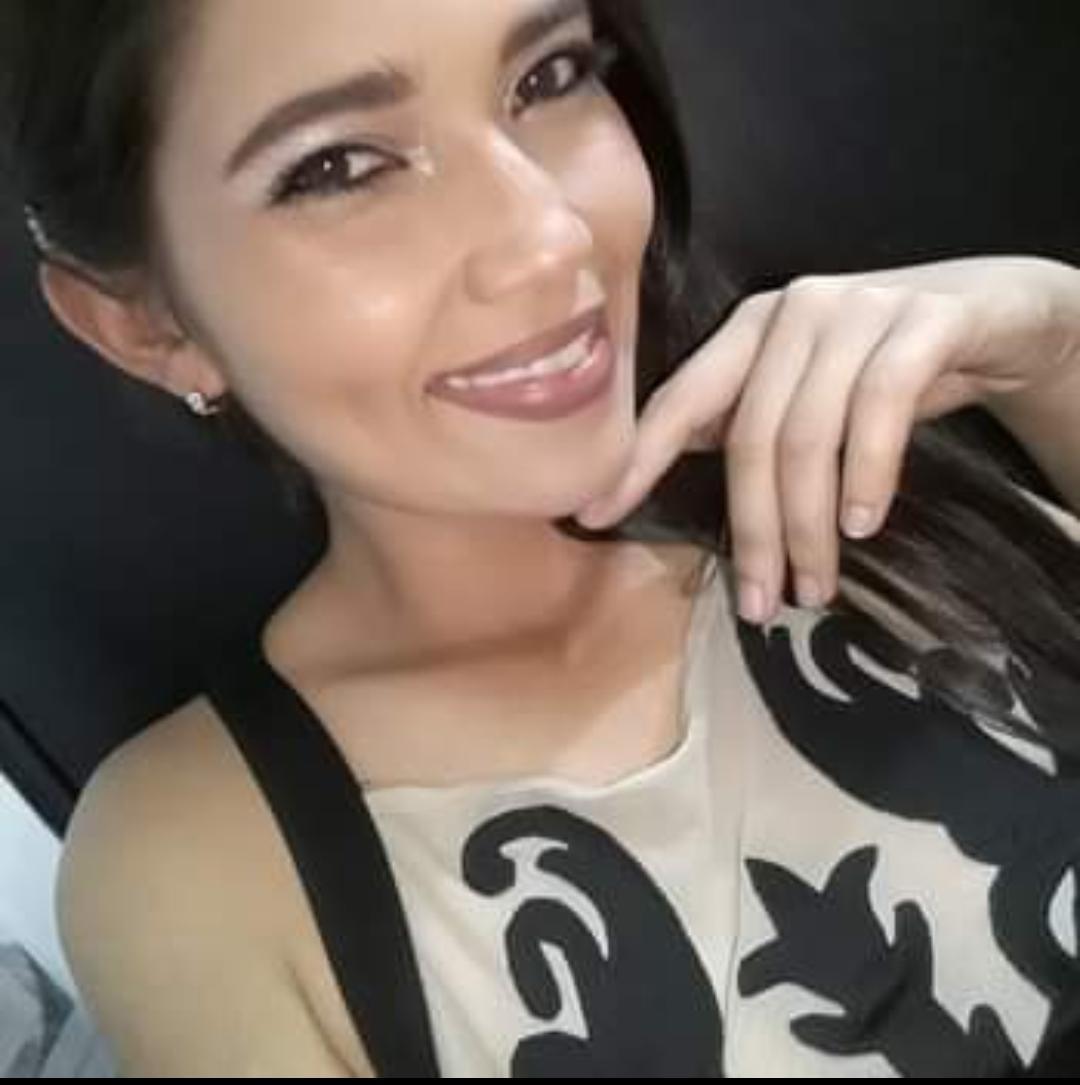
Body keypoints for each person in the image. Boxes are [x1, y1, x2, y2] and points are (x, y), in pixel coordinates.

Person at [3, 0, 1080, 1075]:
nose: (552, 234)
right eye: (339, 167)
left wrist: (1057, 349)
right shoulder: (205, 861)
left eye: (549, 77)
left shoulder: (850, 431)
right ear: (147, 324)